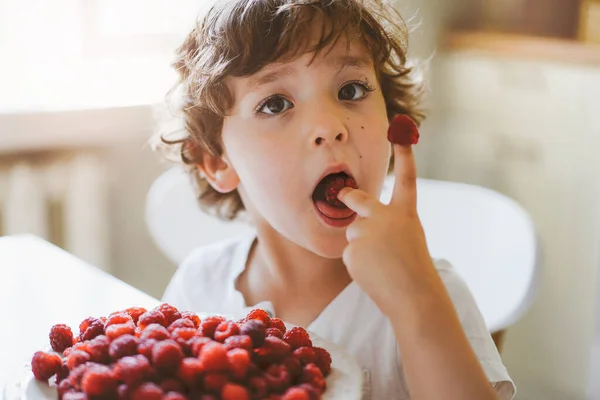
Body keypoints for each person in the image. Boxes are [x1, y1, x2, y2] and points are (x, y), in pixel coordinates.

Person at [155, 0, 516, 398]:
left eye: (351, 89)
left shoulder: (431, 292)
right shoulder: (199, 287)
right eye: (275, 104)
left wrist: (416, 300)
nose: (329, 127)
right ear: (216, 160)